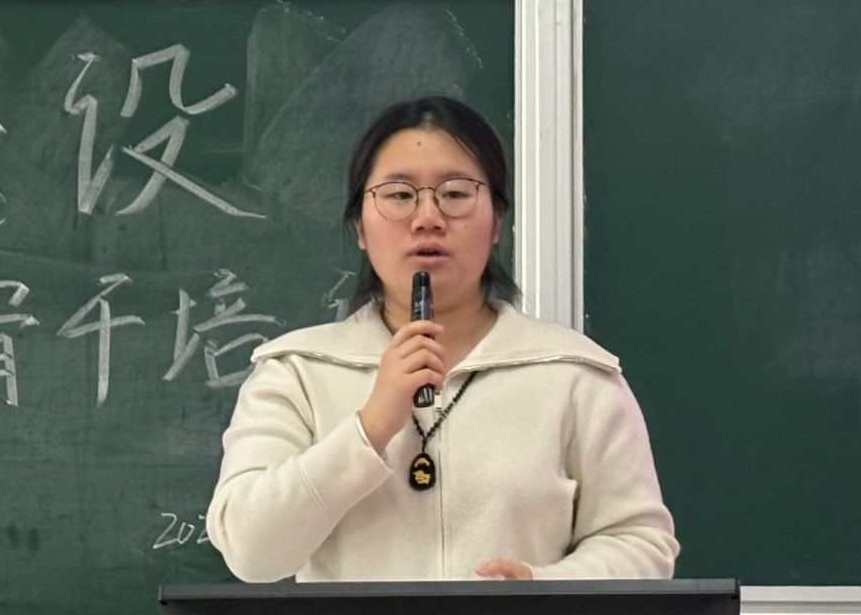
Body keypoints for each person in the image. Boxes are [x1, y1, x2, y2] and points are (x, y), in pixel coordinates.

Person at [207, 95, 678, 582]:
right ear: (359, 227)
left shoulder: (574, 374)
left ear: (497, 222)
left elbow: (641, 546)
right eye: (399, 195)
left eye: (455, 194)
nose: (427, 217)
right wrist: (370, 427)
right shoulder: (297, 372)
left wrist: (542, 590)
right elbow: (251, 554)